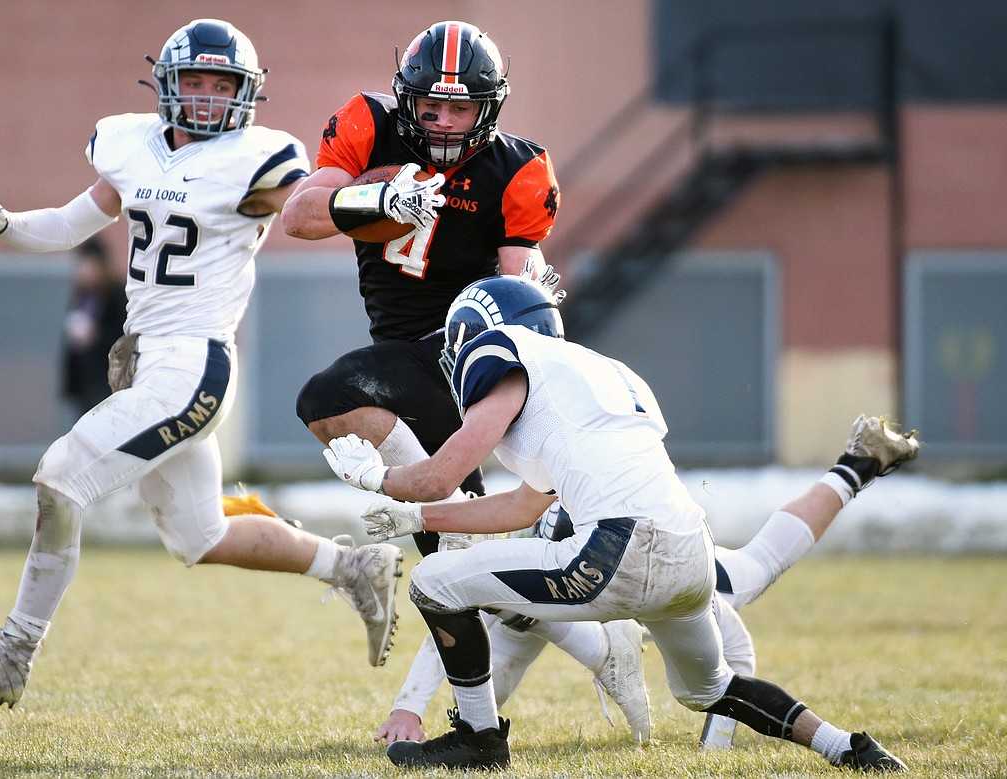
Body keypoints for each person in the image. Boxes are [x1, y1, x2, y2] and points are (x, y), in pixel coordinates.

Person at [0, 18, 404, 710]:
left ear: (247, 94)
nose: (208, 97)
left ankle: (13, 651)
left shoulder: (257, 158)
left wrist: (375, 202)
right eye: (196, 82)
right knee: (201, 535)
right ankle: (353, 566)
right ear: (166, 84)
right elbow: (68, 225)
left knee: (62, 477)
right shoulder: (130, 145)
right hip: (147, 363)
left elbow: (308, 205)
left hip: (194, 367)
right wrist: (7, 223)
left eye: (223, 84)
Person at [324, 275, 917, 771]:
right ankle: (850, 748)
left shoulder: (498, 351)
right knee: (709, 690)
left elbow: (439, 471)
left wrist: (375, 478)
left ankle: (481, 739)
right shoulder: (597, 373)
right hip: (688, 554)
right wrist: (418, 515)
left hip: (614, 551)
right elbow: (522, 507)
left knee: (434, 584)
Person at [277, 19, 651, 743]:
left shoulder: (517, 167)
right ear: (405, 98)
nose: (441, 121)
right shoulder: (367, 123)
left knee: (324, 399)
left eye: (459, 108)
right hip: (399, 348)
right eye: (429, 106)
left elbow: (519, 289)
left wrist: (535, 315)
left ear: (490, 108)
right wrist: (376, 201)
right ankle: (601, 649)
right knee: (466, 566)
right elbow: (297, 214)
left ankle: (452, 709)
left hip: (462, 351)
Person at [373, 411, 920, 749]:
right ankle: (856, 464)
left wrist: (718, 747)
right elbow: (455, 612)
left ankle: (856, 464)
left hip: (628, 557)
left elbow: (734, 652)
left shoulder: (547, 458)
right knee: (746, 574)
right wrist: (415, 708)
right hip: (615, 550)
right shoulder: (565, 437)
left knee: (735, 591)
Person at [61, 235, 127, 422]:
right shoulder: (81, 295)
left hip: (106, 382)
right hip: (84, 382)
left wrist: (95, 335)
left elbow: (124, 337)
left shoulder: (116, 294)